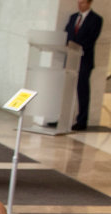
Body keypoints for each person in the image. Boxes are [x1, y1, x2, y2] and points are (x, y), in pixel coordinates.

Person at [65, 0, 102, 131]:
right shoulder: (73, 17)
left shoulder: (96, 19)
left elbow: (91, 39)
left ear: (89, 3)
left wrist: (77, 48)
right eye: (78, 2)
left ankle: (82, 120)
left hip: (84, 60)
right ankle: (63, 117)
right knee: (66, 89)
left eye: (83, 3)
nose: (80, 5)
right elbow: (67, 34)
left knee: (82, 90)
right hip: (71, 59)